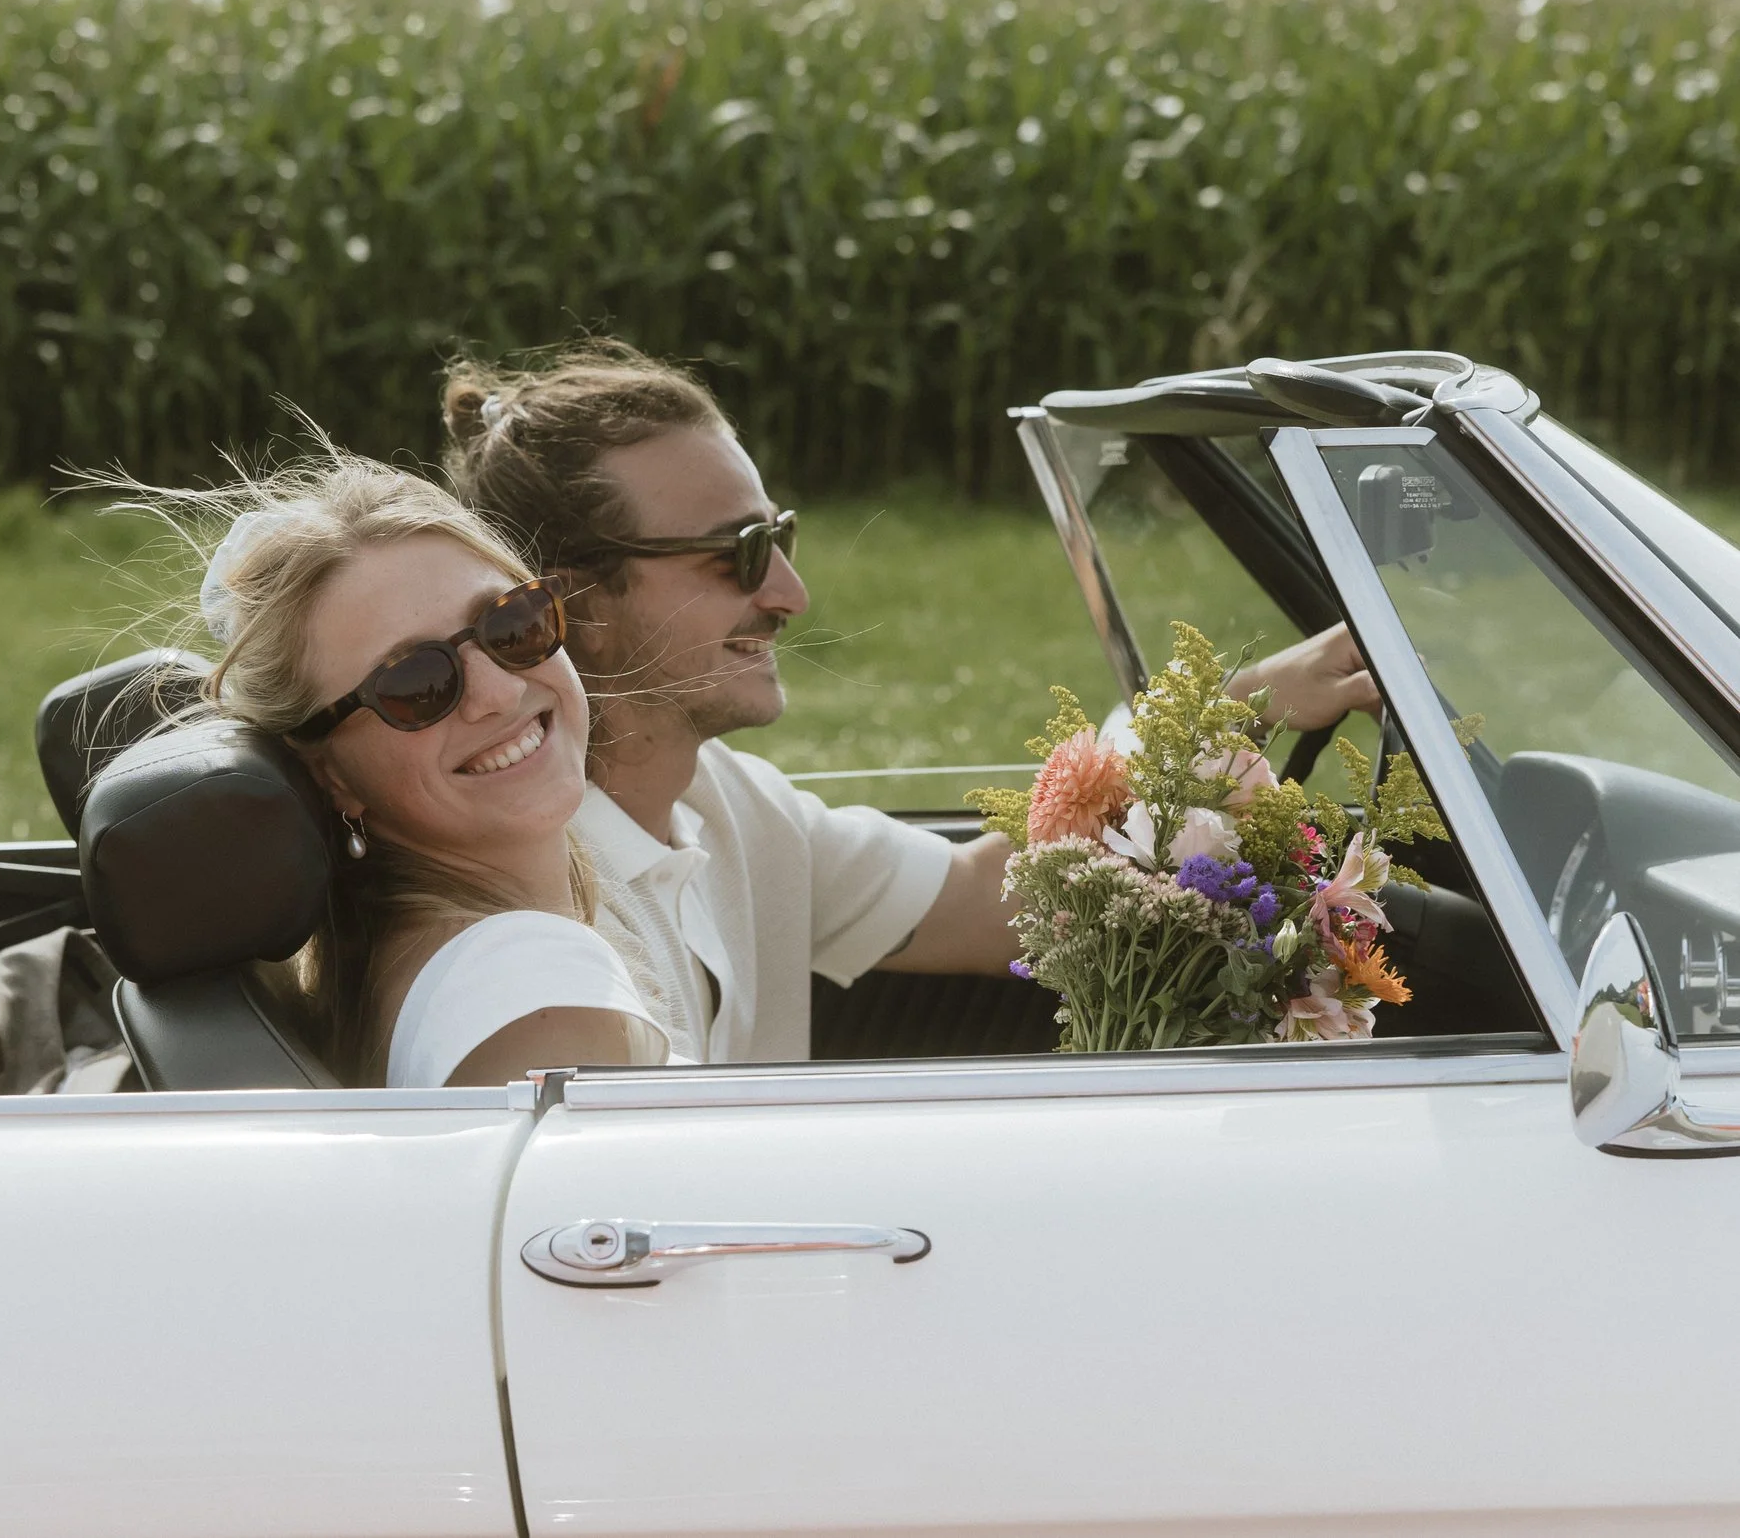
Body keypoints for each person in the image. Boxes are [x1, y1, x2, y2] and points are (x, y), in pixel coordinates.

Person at [441, 341, 1383, 1064]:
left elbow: (989, 900)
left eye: (780, 537)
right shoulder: (548, 923)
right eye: (734, 554)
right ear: (581, 608)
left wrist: (1232, 708)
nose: (788, 595)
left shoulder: (731, 806)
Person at [104, 446, 679, 1086]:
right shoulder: (539, 998)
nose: (499, 693)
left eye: (512, 624)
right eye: (416, 683)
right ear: (333, 777)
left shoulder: (403, 965)